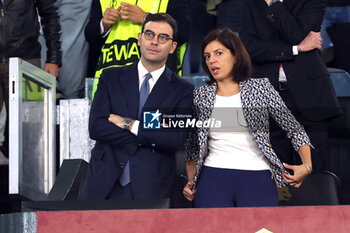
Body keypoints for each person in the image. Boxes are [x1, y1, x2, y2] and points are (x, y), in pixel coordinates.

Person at [183, 28, 313, 208]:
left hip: (256, 175)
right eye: (207, 56)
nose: (212, 60)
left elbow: (294, 128)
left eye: (219, 53)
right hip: (213, 176)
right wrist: (191, 181)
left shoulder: (260, 88)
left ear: (236, 56)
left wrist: (307, 165)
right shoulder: (201, 95)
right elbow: (193, 145)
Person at [80, 13, 193, 200]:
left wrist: (129, 124)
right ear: (140, 39)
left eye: (163, 37)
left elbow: (175, 139)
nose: (155, 41)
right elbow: (97, 127)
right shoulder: (110, 77)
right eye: (149, 34)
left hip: (152, 186)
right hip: (104, 182)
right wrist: (151, 137)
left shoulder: (183, 90)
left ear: (173, 47)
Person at [240, 0, 342, 173]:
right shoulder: (252, 3)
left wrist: (273, 4)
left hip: (309, 93)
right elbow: (249, 49)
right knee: (278, 171)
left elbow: (296, 34)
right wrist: (296, 49)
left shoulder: (312, 3)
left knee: (315, 170)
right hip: (269, 94)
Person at [85, 0, 191, 92]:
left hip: (155, 80)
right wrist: (103, 24)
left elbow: (183, 31)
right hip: (110, 82)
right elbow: (90, 35)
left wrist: (146, 18)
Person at [0, 0, 61, 156]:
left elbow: (50, 15)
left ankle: (31, 178)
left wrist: (53, 58)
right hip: (23, 59)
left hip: (26, 60)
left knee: (30, 128)